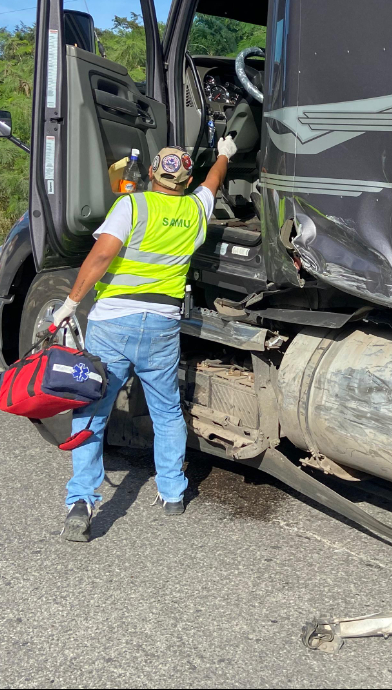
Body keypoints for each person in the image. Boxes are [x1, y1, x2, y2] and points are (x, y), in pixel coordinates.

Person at [52, 136, 236, 542]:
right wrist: (224, 154)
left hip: (114, 323)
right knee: (167, 411)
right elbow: (215, 181)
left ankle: (81, 501)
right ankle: (172, 493)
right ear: (186, 181)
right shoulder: (195, 209)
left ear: (152, 174)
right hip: (162, 325)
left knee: (92, 412)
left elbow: (100, 256)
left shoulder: (132, 205)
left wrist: (69, 303)